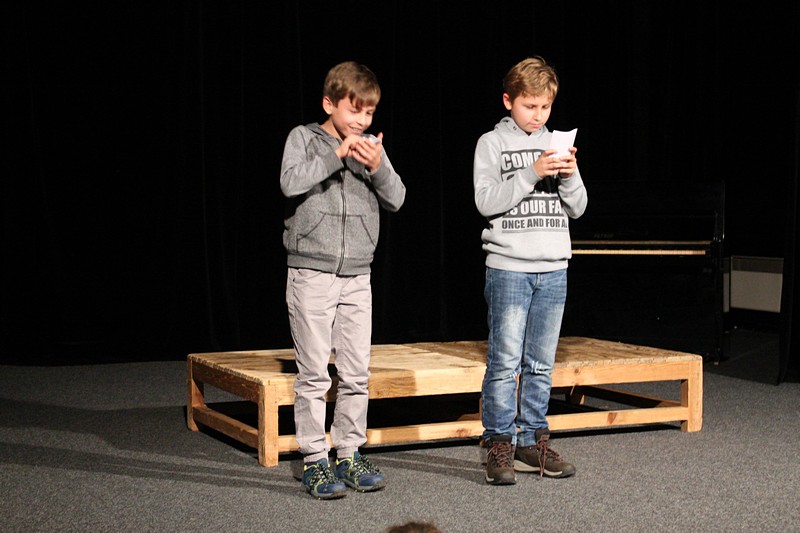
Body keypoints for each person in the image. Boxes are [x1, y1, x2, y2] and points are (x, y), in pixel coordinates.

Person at [280, 61, 406, 499]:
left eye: (369, 113)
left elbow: (397, 198)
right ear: (328, 104)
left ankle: (349, 453)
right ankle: (315, 460)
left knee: (356, 373)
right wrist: (336, 155)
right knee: (314, 374)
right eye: (355, 110)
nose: (362, 121)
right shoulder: (304, 138)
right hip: (311, 271)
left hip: (357, 274)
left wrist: (378, 166)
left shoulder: (372, 148)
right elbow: (290, 182)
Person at [473, 56, 587, 485]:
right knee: (505, 363)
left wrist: (569, 175)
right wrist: (532, 171)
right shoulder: (491, 143)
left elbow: (579, 207)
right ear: (508, 101)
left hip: (553, 267)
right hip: (509, 268)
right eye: (529, 106)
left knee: (540, 364)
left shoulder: (557, 143)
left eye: (545, 107)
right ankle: (499, 442)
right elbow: (486, 201)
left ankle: (531, 440)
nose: (538, 115)